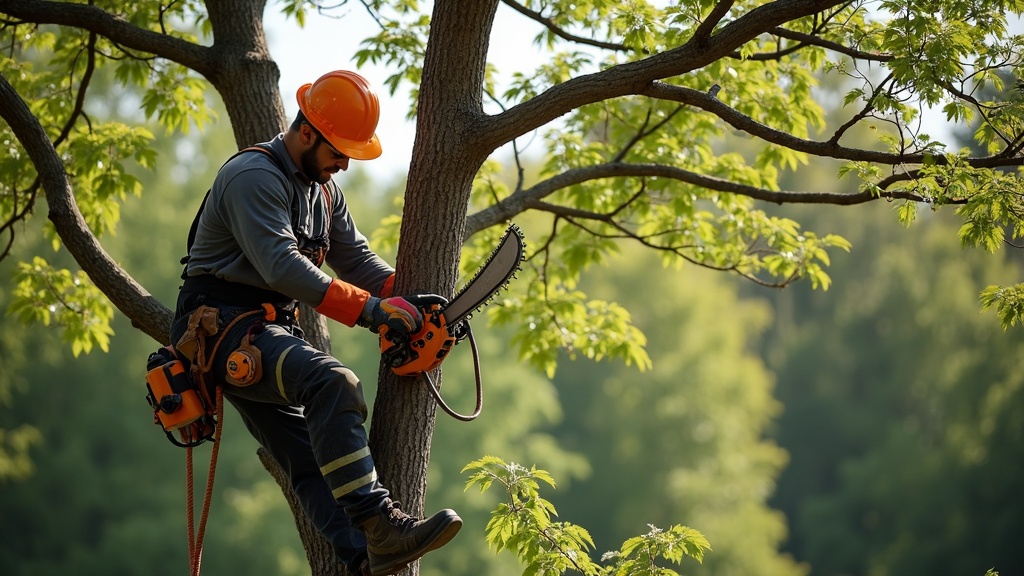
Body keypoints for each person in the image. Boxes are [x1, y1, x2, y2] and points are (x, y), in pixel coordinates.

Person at [170, 70, 461, 576]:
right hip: (222, 327)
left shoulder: (324, 192)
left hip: (270, 329)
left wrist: (405, 302)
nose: (345, 164)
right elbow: (281, 265)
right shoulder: (253, 178)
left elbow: (357, 261)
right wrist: (372, 313)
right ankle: (380, 523)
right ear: (307, 132)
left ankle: (362, 559)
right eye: (338, 151)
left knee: (309, 458)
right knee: (332, 383)